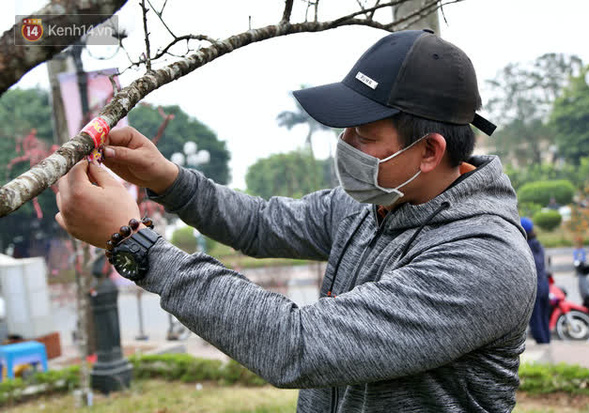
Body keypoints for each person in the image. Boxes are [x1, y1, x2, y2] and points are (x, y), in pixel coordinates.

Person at [56, 30, 536, 412]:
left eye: (364, 133)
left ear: (429, 151)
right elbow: (261, 224)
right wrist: (169, 180)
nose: (345, 142)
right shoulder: (374, 201)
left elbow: (299, 345)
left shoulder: (483, 258)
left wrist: (136, 245)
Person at [520, 217, 551, 344]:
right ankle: (547, 342)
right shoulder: (538, 245)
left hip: (535, 288)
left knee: (536, 320)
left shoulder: (526, 248)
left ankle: (543, 346)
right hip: (544, 285)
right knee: (544, 318)